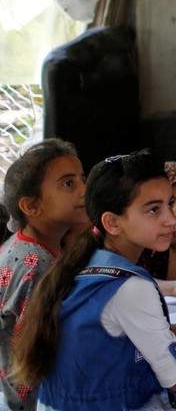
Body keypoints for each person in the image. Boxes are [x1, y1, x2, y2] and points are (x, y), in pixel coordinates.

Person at [11, 149, 176, 410]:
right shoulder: (131, 287)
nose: (172, 219)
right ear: (112, 223)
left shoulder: (87, 259)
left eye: (170, 203)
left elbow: (136, 330)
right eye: (153, 210)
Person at [0, 139, 87, 410]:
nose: (85, 191)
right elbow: (41, 350)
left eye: (82, 179)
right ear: (31, 206)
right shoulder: (36, 266)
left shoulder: (29, 246)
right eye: (68, 184)